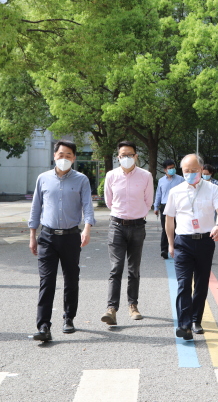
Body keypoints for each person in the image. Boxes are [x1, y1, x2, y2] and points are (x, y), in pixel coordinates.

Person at [28, 140, 95, 342]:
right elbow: (36, 207)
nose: (64, 158)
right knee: (46, 281)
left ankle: (69, 317)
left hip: (71, 236)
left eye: (68, 155)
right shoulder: (43, 178)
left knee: (71, 279)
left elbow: (88, 206)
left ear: (74, 158)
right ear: (54, 156)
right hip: (47, 237)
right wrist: (32, 235)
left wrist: (87, 229)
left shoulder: (81, 180)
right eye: (61, 154)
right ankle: (43, 326)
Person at [165, 154, 218, 340]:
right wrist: (170, 243)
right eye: (186, 170)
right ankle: (184, 325)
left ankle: (195, 320)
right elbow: (169, 219)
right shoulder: (175, 191)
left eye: (194, 170)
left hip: (205, 241)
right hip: (183, 242)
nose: (190, 173)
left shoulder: (212, 189)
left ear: (201, 169)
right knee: (183, 284)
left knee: (201, 282)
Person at [101, 141, 153, 326]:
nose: (127, 158)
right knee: (116, 268)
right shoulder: (111, 175)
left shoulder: (146, 176)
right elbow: (109, 201)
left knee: (134, 269)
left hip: (138, 227)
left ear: (136, 156)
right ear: (118, 157)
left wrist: (136, 214)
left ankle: (133, 305)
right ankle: (111, 309)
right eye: (123, 155)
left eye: (130, 154)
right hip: (116, 226)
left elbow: (148, 201)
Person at [154, 159, 185, 260]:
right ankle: (164, 250)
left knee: (177, 228)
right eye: (169, 168)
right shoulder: (161, 181)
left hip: (178, 206)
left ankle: (176, 249)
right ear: (165, 170)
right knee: (165, 228)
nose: (172, 169)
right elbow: (158, 194)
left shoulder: (181, 179)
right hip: (165, 205)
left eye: (173, 167)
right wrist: (156, 206)